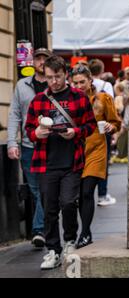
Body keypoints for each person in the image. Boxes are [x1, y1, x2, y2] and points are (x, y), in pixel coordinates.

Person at [25, 55, 97, 269]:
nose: (54, 81)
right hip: (45, 162)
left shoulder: (79, 97)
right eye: (49, 77)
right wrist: (37, 132)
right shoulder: (38, 100)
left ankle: (69, 241)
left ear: (66, 74)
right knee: (49, 208)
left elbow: (90, 126)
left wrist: (75, 132)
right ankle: (53, 250)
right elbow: (29, 130)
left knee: (68, 203)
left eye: (57, 76)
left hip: (72, 162)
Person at [71, 65, 121, 248]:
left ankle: (85, 233)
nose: (79, 86)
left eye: (82, 82)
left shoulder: (102, 98)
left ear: (90, 80)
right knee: (75, 196)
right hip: (74, 151)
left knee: (86, 192)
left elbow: (116, 122)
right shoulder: (68, 100)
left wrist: (110, 126)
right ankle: (79, 232)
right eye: (75, 82)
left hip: (96, 150)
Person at [7, 48, 52, 249]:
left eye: (45, 59)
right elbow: (14, 114)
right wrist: (11, 142)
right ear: (33, 62)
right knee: (36, 190)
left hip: (52, 146)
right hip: (28, 146)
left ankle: (39, 229)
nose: (41, 62)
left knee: (46, 189)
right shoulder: (22, 85)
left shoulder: (55, 85)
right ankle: (44, 227)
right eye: (38, 58)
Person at [88, 59, 116, 206]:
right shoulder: (107, 86)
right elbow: (111, 106)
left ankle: (86, 193)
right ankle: (102, 194)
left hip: (86, 128)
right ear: (102, 69)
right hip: (102, 127)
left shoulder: (84, 84)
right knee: (103, 162)